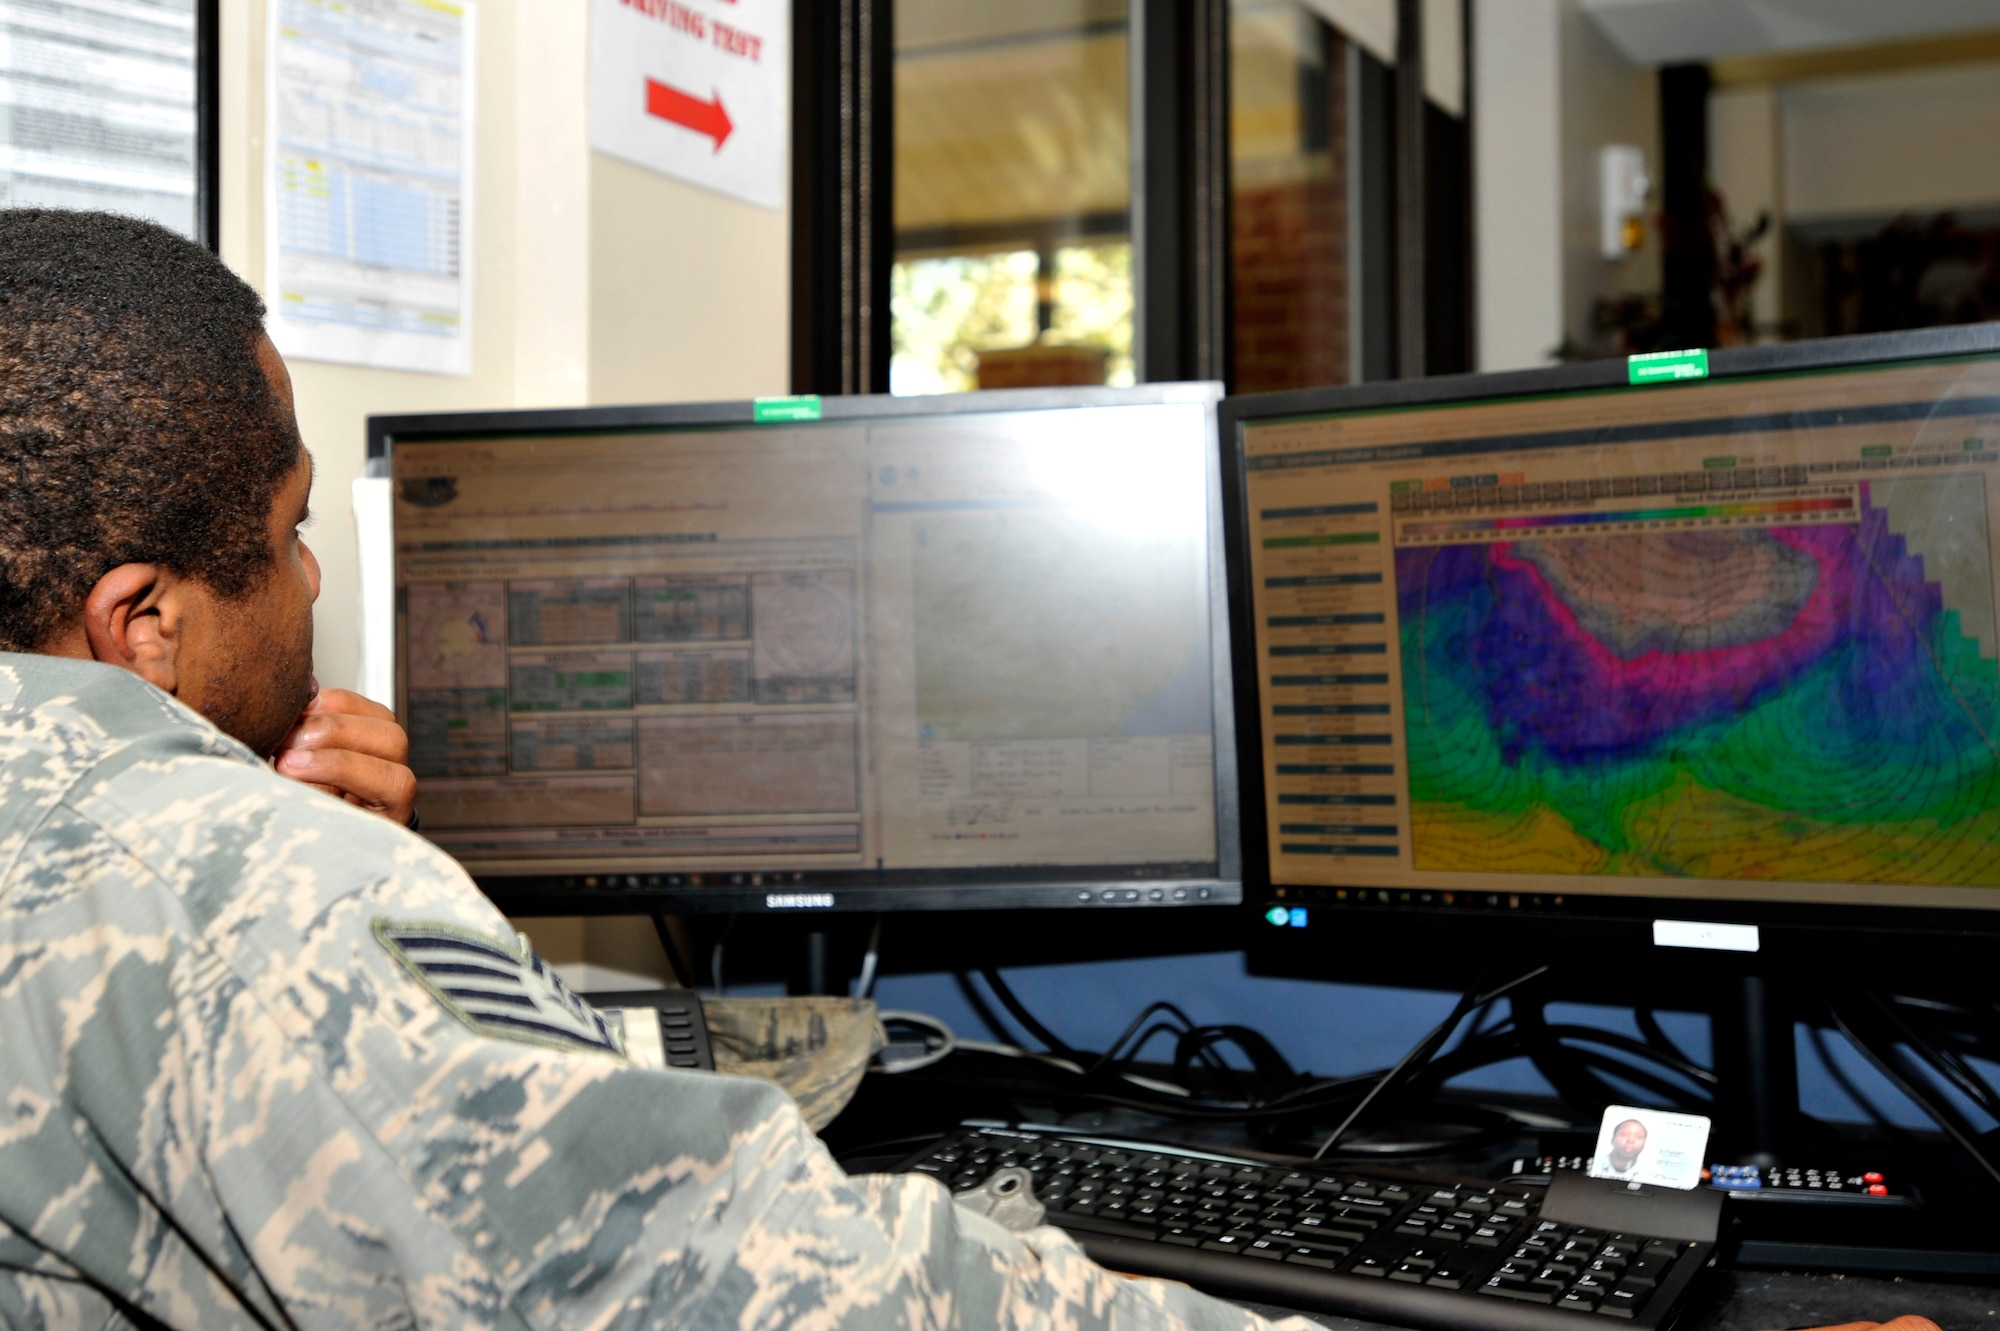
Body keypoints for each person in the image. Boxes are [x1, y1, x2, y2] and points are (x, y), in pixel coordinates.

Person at [0, 210, 1304, 1331]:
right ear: (145, 624)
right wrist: (294, 883)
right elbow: (770, 1288)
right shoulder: (263, 912)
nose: (314, 582)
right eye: (290, 530)